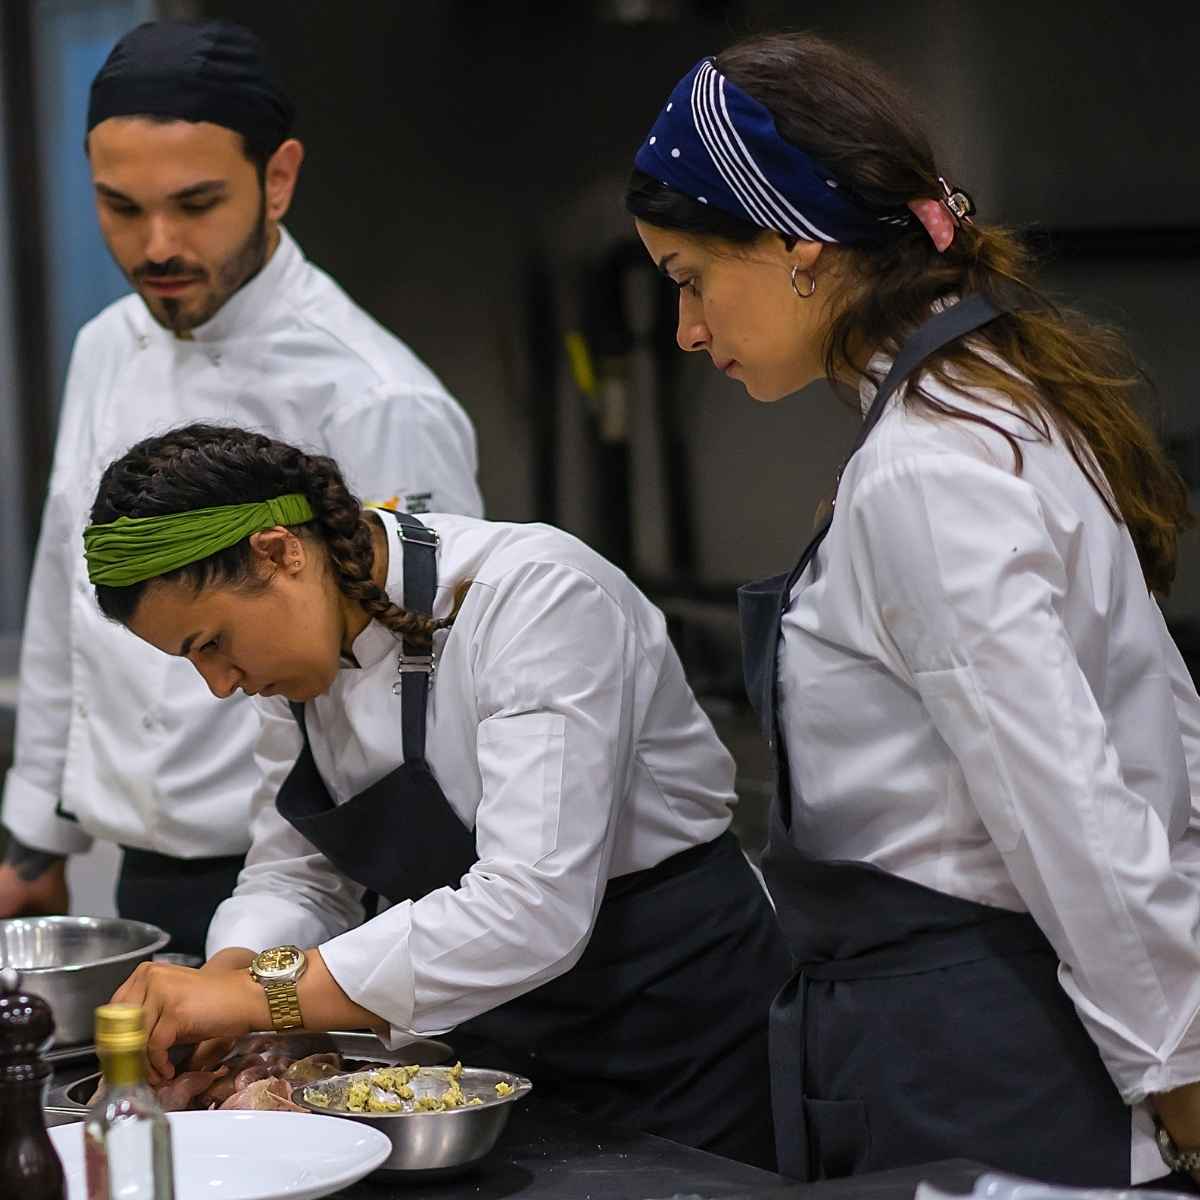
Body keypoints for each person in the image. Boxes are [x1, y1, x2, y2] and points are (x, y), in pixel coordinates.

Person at [627, 32, 1200, 1189]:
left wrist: (1181, 1077)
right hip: (986, 1022)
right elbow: (1158, 735)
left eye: (691, 278)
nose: (687, 330)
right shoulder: (995, 400)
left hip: (991, 1051)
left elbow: (1066, 800)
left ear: (794, 247)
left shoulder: (927, 469)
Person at [82, 422, 791, 1168]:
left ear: (279, 553)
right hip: (495, 1044)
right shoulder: (295, 660)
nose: (219, 684)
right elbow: (300, 871)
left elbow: (531, 907)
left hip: (675, 1027)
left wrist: (260, 995)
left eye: (212, 643)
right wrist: (228, 972)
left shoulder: (533, 596)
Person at [0, 19, 483, 956]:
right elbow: (70, 589)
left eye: (196, 202)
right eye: (120, 207)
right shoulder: (105, 346)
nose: (157, 244)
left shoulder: (374, 396)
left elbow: (425, 686)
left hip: (313, 885)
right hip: (138, 875)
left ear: (280, 178)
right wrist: (32, 839)